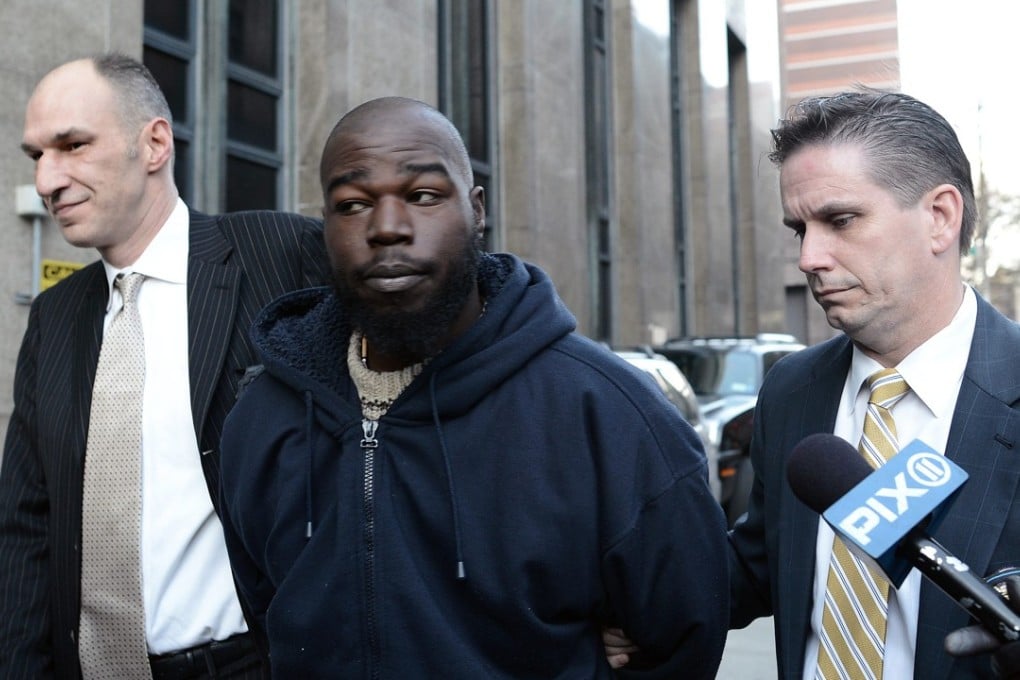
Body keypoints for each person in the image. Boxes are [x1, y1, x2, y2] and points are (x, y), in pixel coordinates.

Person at [215, 95, 729, 678]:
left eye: (424, 196)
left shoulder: (606, 413)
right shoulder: (262, 418)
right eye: (353, 204)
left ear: (477, 209)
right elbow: (267, 619)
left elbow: (682, 636)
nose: (386, 228)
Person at [606, 89, 1020, 679]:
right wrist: (636, 606)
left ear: (940, 217)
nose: (808, 257)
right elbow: (758, 567)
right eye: (798, 228)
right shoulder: (792, 388)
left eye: (840, 219)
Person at [0, 53, 329, 678]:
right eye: (35, 156)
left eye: (71, 145)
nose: (47, 180)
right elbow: (25, 527)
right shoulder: (54, 317)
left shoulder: (278, 255)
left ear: (153, 144)